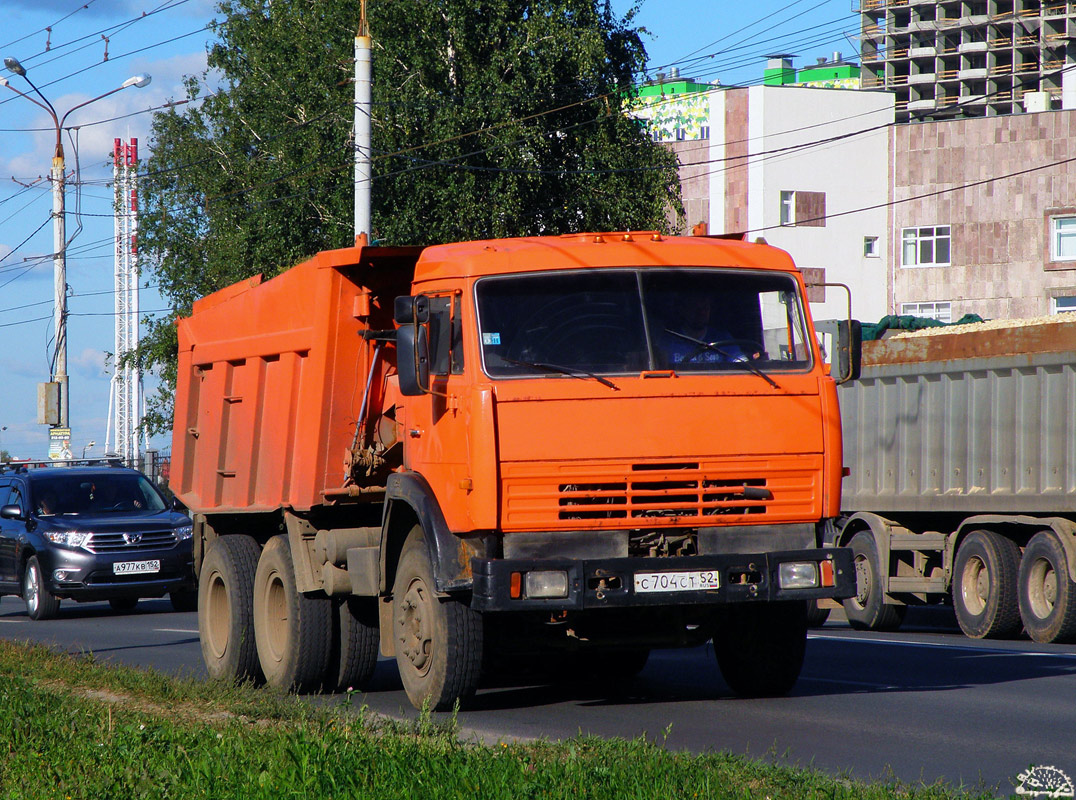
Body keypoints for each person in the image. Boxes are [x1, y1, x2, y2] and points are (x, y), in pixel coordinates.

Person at [661, 294, 742, 366]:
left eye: (705, 308)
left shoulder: (723, 338)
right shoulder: (669, 341)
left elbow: (740, 362)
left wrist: (752, 362)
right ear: (683, 310)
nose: (701, 313)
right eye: (695, 308)